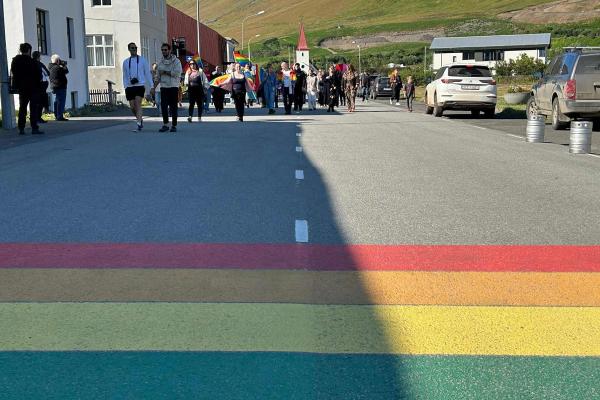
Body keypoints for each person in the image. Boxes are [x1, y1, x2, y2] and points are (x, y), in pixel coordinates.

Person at [10, 43, 43, 135]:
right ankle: (34, 128)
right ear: (29, 50)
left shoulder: (15, 60)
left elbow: (13, 72)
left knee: (22, 108)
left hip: (22, 87)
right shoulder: (32, 62)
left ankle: (21, 128)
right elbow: (38, 75)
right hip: (33, 87)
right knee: (33, 108)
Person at [122, 43, 152, 131]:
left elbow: (147, 73)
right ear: (129, 49)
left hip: (140, 85)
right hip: (130, 86)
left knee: (138, 103)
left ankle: (138, 124)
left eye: (135, 48)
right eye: (132, 48)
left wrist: (151, 85)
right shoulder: (126, 62)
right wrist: (125, 86)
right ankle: (140, 118)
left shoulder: (143, 60)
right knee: (132, 106)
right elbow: (124, 75)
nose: (134, 49)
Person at [153, 43, 182, 133]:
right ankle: (165, 124)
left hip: (173, 86)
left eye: (165, 50)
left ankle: (174, 125)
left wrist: (165, 72)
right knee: (163, 106)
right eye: (162, 50)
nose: (164, 51)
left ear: (169, 50)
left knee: (173, 107)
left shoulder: (176, 61)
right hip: (164, 87)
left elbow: (177, 73)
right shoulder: (160, 62)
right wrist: (153, 88)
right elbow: (157, 77)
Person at [48, 54, 69, 121]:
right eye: (59, 60)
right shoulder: (57, 68)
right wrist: (64, 65)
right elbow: (66, 71)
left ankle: (57, 115)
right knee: (61, 101)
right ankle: (60, 116)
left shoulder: (51, 67)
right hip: (60, 86)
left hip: (54, 86)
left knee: (57, 101)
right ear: (57, 60)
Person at [32, 51, 50, 123]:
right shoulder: (39, 64)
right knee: (41, 101)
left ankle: (35, 117)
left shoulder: (30, 63)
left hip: (33, 85)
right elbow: (47, 73)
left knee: (35, 102)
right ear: (38, 57)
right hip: (41, 85)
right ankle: (38, 117)